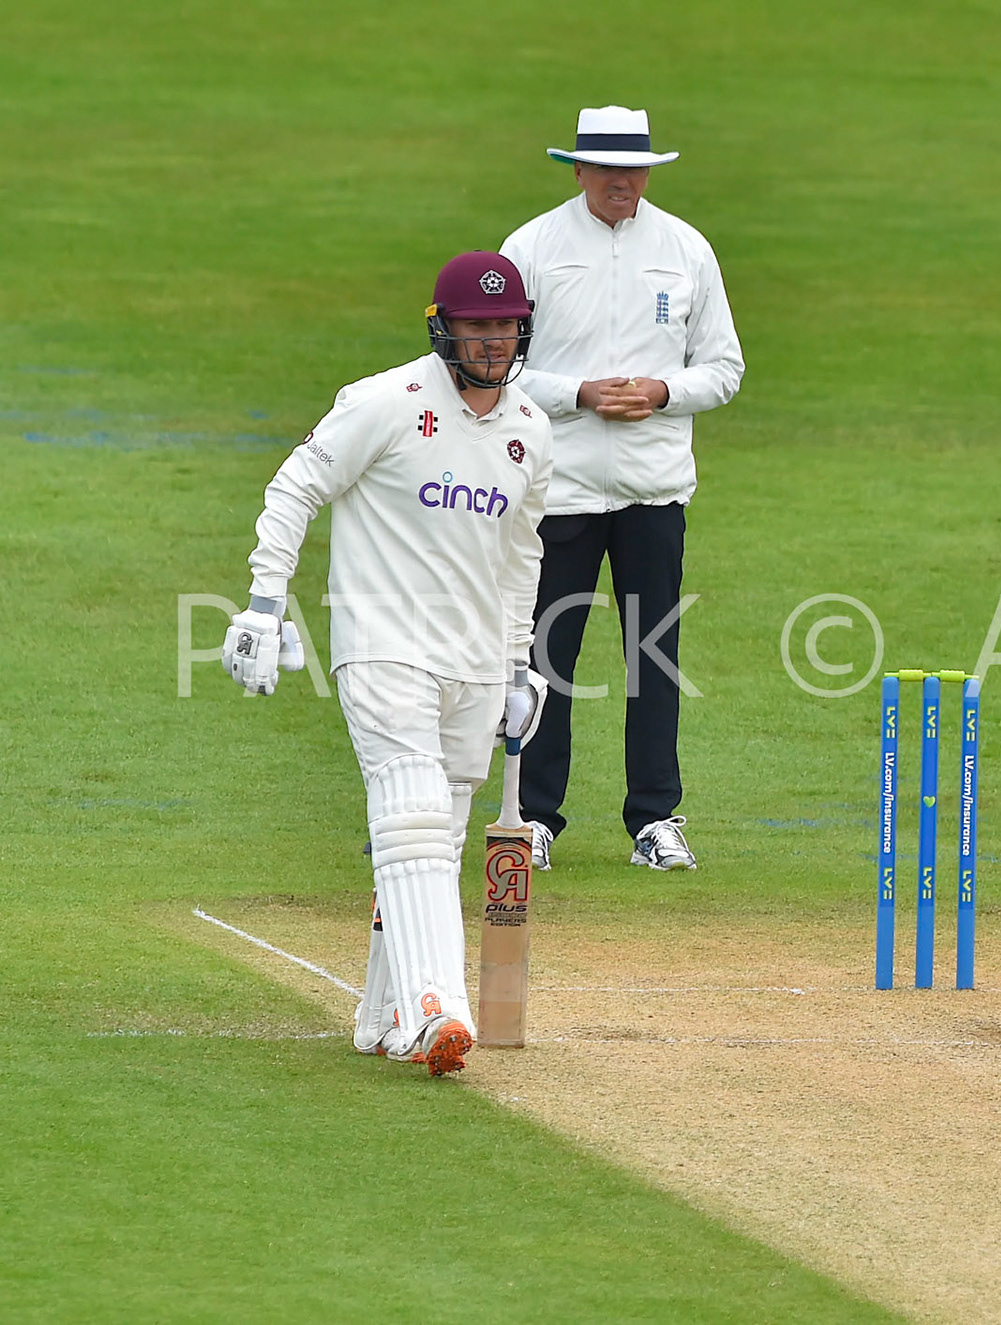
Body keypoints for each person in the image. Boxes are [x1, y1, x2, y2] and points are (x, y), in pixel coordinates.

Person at [223, 252, 553, 1075]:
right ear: (444, 328)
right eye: (477, 326)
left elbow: (522, 557)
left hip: (476, 662)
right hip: (384, 646)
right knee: (408, 817)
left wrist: (519, 664)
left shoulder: (530, 431)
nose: (492, 340)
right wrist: (265, 603)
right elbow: (296, 484)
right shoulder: (387, 403)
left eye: (505, 324)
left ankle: (379, 1015)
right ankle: (434, 1008)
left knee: (434, 839)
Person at [500, 105, 745, 874]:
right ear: (578, 171)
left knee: (655, 657)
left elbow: (725, 368)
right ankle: (534, 816)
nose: (621, 182)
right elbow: (497, 367)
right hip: (560, 487)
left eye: (633, 169)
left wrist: (663, 393)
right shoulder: (534, 246)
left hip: (653, 489)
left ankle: (655, 820)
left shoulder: (686, 249)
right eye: (606, 169)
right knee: (547, 658)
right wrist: (581, 393)